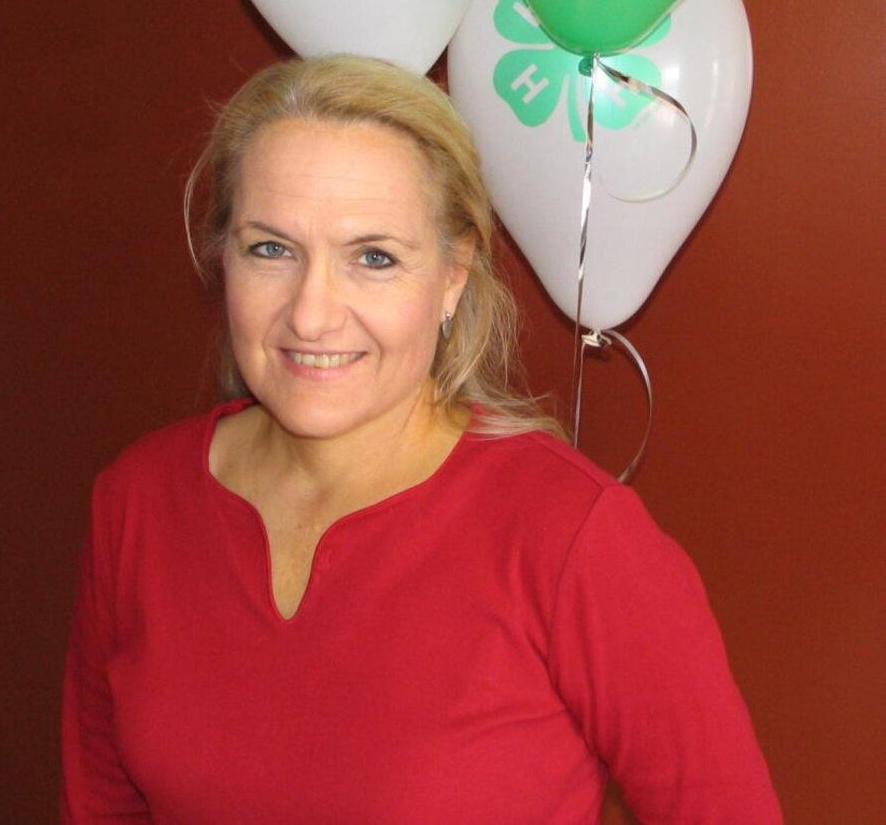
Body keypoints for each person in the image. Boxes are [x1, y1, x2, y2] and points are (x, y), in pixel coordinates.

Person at [62, 55, 782, 823]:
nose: (311, 315)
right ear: (222, 257)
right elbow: (100, 803)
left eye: (374, 258)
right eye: (271, 249)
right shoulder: (136, 502)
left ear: (452, 275)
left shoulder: (574, 539)